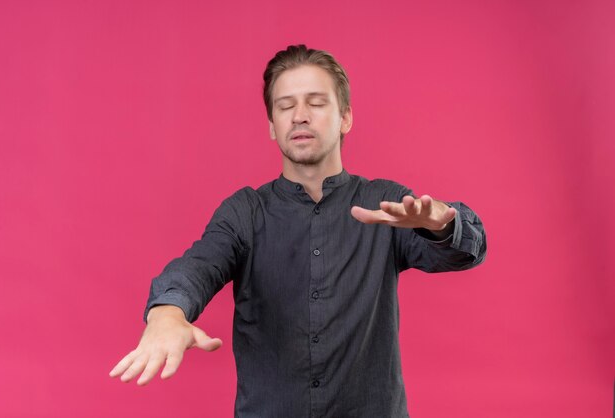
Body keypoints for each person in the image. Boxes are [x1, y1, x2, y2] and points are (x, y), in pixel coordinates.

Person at [110, 44, 487, 418]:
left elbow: (464, 252)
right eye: (286, 106)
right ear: (273, 126)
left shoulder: (384, 203)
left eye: (316, 103)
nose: (300, 116)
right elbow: (198, 265)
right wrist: (167, 314)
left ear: (346, 118)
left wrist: (443, 224)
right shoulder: (245, 212)